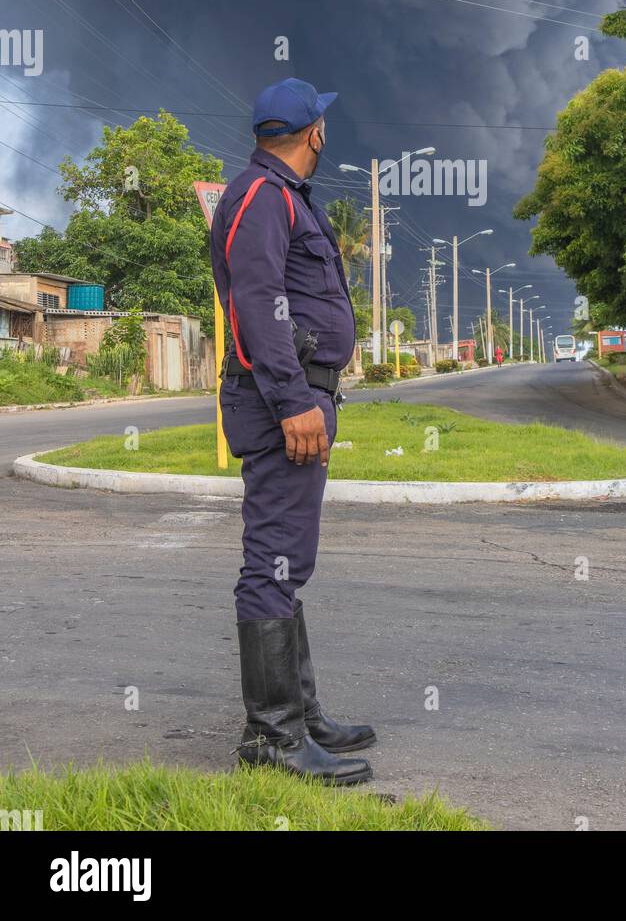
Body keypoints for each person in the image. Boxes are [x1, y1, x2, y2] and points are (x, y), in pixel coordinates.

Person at [210, 77, 374, 786]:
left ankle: (298, 716)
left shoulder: (278, 196)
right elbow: (258, 305)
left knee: (287, 562)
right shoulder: (261, 197)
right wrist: (292, 401)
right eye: (324, 124)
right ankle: (271, 739)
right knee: (272, 563)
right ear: (315, 133)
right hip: (285, 406)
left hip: (302, 398)